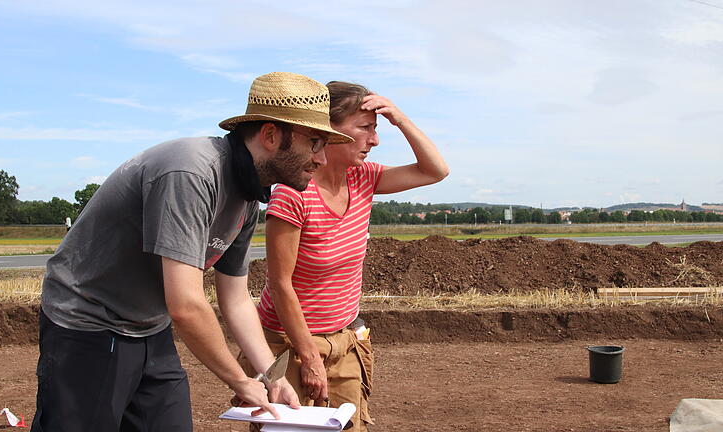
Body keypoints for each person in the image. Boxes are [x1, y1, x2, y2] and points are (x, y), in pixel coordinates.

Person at [30, 72, 354, 432]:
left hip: (149, 326)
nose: (322, 159)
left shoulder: (248, 198)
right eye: (314, 142)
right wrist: (240, 380)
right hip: (88, 323)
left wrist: (270, 376)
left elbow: (235, 299)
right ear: (270, 134)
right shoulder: (190, 172)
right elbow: (185, 305)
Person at [245, 81, 449, 431]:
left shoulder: (363, 178)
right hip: (289, 343)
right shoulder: (294, 194)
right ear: (329, 131)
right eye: (365, 128)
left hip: (344, 339)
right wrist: (308, 357)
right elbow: (279, 285)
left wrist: (399, 118)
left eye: (376, 129)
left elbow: (436, 170)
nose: (375, 140)